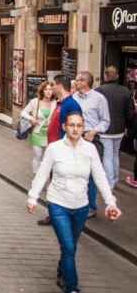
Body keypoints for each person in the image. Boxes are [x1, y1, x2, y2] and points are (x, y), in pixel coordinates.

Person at [27, 111, 121, 293]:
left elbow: (100, 176)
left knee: (70, 247)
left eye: (79, 125)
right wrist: (33, 196)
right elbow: (42, 173)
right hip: (58, 205)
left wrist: (111, 202)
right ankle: (72, 287)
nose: (76, 129)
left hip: (81, 207)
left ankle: (62, 272)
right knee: (69, 246)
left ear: (83, 127)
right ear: (64, 127)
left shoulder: (90, 149)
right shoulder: (54, 148)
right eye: (72, 125)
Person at [37, 75, 82, 226]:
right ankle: (55, 215)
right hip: (54, 150)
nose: (52, 88)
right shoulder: (60, 103)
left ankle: (64, 216)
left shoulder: (71, 105)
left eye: (54, 85)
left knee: (61, 185)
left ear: (59, 86)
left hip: (63, 152)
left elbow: (75, 129)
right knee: (54, 184)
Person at [72, 71, 110, 219]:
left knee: (91, 175)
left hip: (91, 139)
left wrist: (93, 132)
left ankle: (91, 207)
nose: (75, 82)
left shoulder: (99, 99)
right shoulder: (74, 98)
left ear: (85, 82)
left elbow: (106, 121)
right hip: (75, 138)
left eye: (78, 80)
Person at [96, 66, 134, 189]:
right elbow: (130, 112)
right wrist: (128, 126)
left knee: (107, 155)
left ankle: (110, 182)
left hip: (105, 129)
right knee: (115, 154)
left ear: (105, 76)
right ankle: (115, 179)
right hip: (120, 129)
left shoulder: (99, 91)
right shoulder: (126, 91)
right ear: (117, 76)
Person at [20, 81, 57, 175]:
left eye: (50, 89)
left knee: (48, 157)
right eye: (46, 89)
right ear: (42, 91)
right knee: (38, 156)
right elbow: (23, 113)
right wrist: (31, 118)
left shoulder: (55, 103)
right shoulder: (35, 102)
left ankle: (44, 176)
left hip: (50, 135)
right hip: (37, 133)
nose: (48, 92)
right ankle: (37, 176)